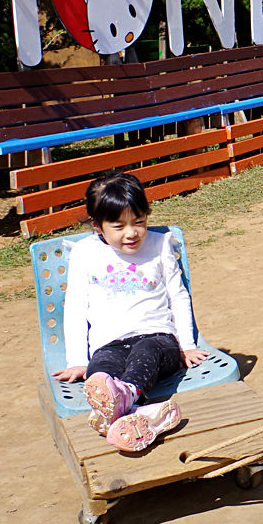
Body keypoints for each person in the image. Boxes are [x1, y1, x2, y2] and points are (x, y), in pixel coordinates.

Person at [52, 172, 210, 452]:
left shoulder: (159, 245)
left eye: (139, 222)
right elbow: (76, 306)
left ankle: (122, 399)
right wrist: (78, 359)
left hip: (158, 339)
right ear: (97, 226)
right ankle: (143, 417)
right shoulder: (84, 253)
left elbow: (178, 295)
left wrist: (185, 344)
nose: (132, 233)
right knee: (100, 375)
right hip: (109, 343)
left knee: (145, 352)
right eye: (118, 225)